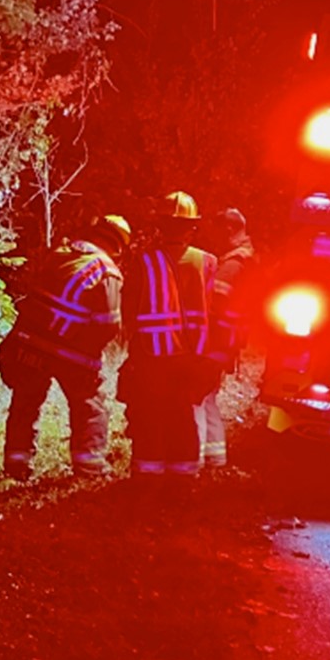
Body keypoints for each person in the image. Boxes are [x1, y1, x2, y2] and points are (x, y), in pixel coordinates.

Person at [0, 215, 131, 480]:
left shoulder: (61, 252)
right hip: (71, 352)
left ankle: (17, 463)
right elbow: (108, 323)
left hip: (31, 343)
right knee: (90, 404)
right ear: (118, 246)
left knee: (26, 400)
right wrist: (92, 354)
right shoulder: (108, 271)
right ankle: (90, 465)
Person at [121, 192, 207, 477]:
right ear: (192, 228)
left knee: (149, 414)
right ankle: (183, 476)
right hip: (193, 355)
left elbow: (129, 310)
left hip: (150, 354)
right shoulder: (208, 262)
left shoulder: (143, 262)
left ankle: (148, 474)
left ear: (160, 225)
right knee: (182, 414)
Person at [195, 208, 256, 470]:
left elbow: (212, 306)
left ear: (229, 229)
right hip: (225, 343)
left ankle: (192, 458)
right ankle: (214, 457)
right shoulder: (246, 259)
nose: (212, 237)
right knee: (207, 398)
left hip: (215, 342)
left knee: (196, 397)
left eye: (216, 230)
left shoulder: (232, 265)